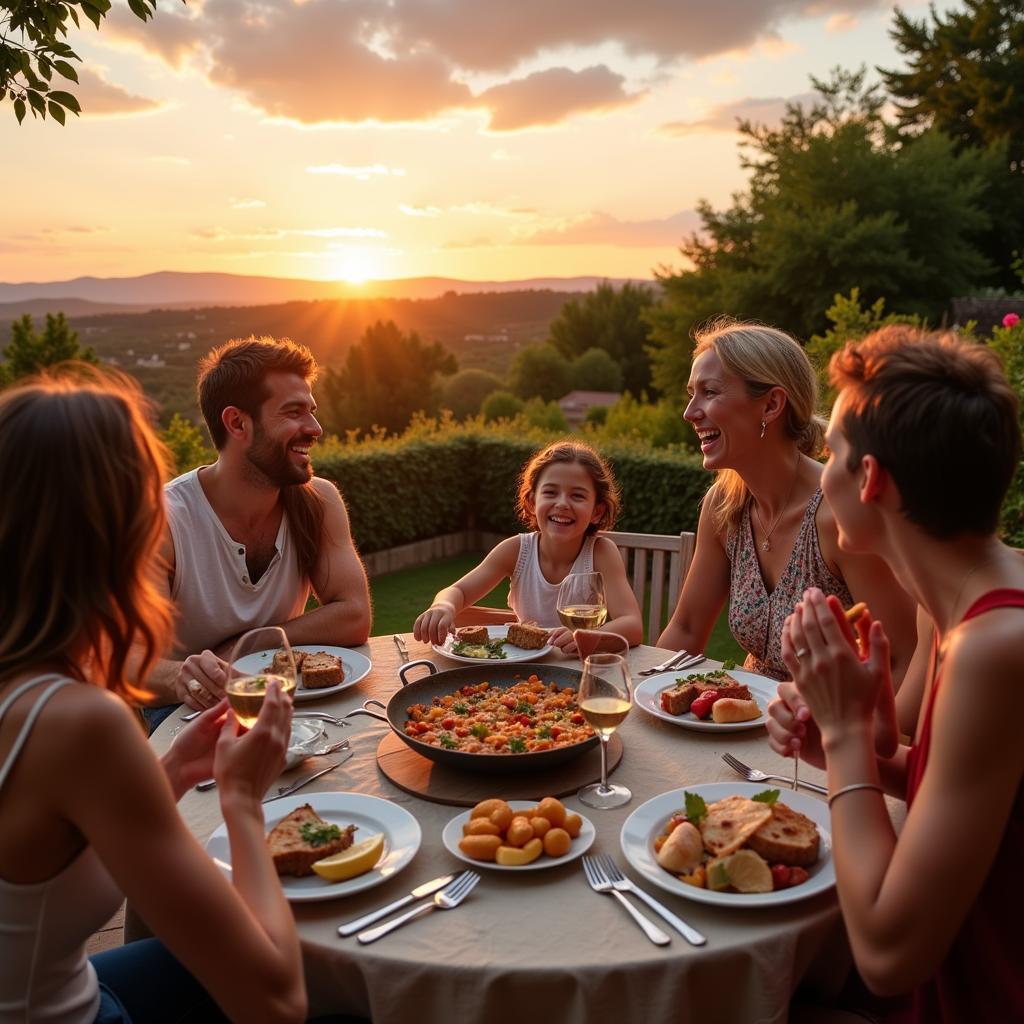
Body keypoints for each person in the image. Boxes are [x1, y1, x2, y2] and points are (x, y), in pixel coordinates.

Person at [0, 367, 306, 1023]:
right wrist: (242, 801)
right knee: (335, 994)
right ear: (116, 530)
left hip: (57, 983)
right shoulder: (78, 720)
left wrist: (169, 772)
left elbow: (36, 872)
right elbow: (275, 1003)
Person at [767, 327, 1024, 1020]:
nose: (823, 476)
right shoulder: (961, 613)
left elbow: (886, 955)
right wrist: (871, 760)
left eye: (831, 456)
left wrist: (848, 729)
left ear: (871, 479)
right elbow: (984, 798)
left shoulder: (995, 647)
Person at [657, 319, 916, 728]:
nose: (690, 413)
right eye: (692, 395)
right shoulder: (724, 506)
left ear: (771, 405)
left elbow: (902, 655)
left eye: (709, 392)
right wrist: (648, 696)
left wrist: (857, 745)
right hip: (747, 724)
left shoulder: (839, 514)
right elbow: (687, 629)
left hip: (828, 734)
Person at [142, 336, 372, 730]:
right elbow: (129, 663)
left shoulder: (319, 501)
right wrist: (183, 676)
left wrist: (245, 647)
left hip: (289, 696)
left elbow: (354, 616)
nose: (314, 428)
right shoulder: (161, 520)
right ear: (237, 423)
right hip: (188, 713)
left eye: (312, 411)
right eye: (294, 412)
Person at [413, 440, 643, 655]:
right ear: (532, 502)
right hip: (523, 673)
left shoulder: (601, 552)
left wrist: (591, 636)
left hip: (580, 670)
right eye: (551, 492)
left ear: (597, 511)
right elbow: (459, 592)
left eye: (577, 495)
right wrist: (443, 606)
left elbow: (632, 625)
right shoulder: (516, 551)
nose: (562, 503)